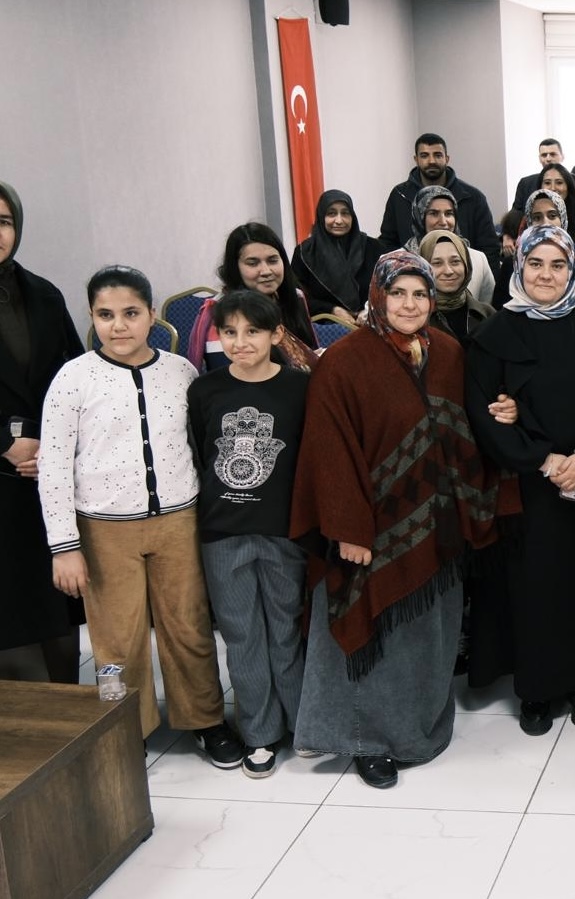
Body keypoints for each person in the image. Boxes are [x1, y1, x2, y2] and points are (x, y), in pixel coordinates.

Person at [291, 249, 510, 788]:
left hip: (439, 524)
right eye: (398, 293)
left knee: (428, 637)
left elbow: (470, 424)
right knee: (374, 636)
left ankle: (417, 730)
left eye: (420, 294)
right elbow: (328, 450)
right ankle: (367, 742)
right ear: (378, 296)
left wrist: (506, 413)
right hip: (369, 527)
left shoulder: (448, 353)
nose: (409, 304)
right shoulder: (344, 361)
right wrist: (347, 528)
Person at [40, 265, 240, 760]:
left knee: (188, 626)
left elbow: (199, 447)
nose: (119, 326)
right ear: (91, 317)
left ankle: (205, 719)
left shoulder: (181, 372)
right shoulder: (73, 379)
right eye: (105, 315)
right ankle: (125, 727)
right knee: (116, 639)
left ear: (152, 313)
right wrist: (64, 546)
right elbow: (54, 466)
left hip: (178, 523)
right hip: (104, 531)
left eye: (131, 313)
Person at [464, 227, 575, 739]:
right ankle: (535, 688)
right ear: (519, 267)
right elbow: (484, 412)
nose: (546, 274)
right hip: (528, 487)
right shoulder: (494, 334)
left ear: (572, 270)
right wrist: (543, 459)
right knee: (533, 586)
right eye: (535, 263)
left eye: (558, 265)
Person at [187, 290, 311, 778]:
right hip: (222, 531)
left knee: (285, 629)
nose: (240, 342)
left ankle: (302, 722)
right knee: (241, 635)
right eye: (230, 332)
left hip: (283, 530)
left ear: (276, 334)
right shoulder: (205, 390)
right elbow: (201, 453)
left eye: (253, 331)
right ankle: (259, 733)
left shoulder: (300, 387)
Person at [0, 180, 85, 684]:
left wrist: (53, 446)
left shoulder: (43, 294)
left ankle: (67, 707)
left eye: (4, 221)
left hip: (45, 476)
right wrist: (5, 445)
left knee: (54, 604)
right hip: (2, 472)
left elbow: (76, 375)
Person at [190, 223, 319, 373]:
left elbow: (309, 354)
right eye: (253, 263)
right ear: (235, 268)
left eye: (272, 260)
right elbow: (226, 375)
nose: (266, 271)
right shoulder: (222, 311)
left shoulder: (295, 297)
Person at [379, 133, 497, 256]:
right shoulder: (400, 195)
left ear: (447, 159)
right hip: (410, 266)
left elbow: (489, 247)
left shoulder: (472, 197)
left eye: (438, 155)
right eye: (424, 156)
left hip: (462, 266)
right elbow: (387, 243)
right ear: (416, 159)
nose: (431, 161)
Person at [292, 189, 381, 324]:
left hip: (371, 325)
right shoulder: (305, 253)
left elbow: (388, 288)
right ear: (321, 216)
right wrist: (332, 310)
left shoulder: (373, 248)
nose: (339, 220)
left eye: (345, 213)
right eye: (331, 213)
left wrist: (370, 309)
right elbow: (296, 297)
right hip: (325, 327)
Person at [404, 187, 497, 303]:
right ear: (419, 216)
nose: (443, 222)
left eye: (449, 214)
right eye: (434, 213)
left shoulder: (477, 259)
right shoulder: (398, 260)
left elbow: (485, 307)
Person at [419, 230, 493, 339]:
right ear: (423, 268)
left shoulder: (487, 314)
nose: (448, 271)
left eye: (455, 262)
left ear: (466, 265)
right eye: (437, 263)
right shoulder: (415, 318)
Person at [513, 163, 575, 231]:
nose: (552, 188)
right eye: (547, 183)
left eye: (559, 183)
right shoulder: (528, 218)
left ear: (568, 186)